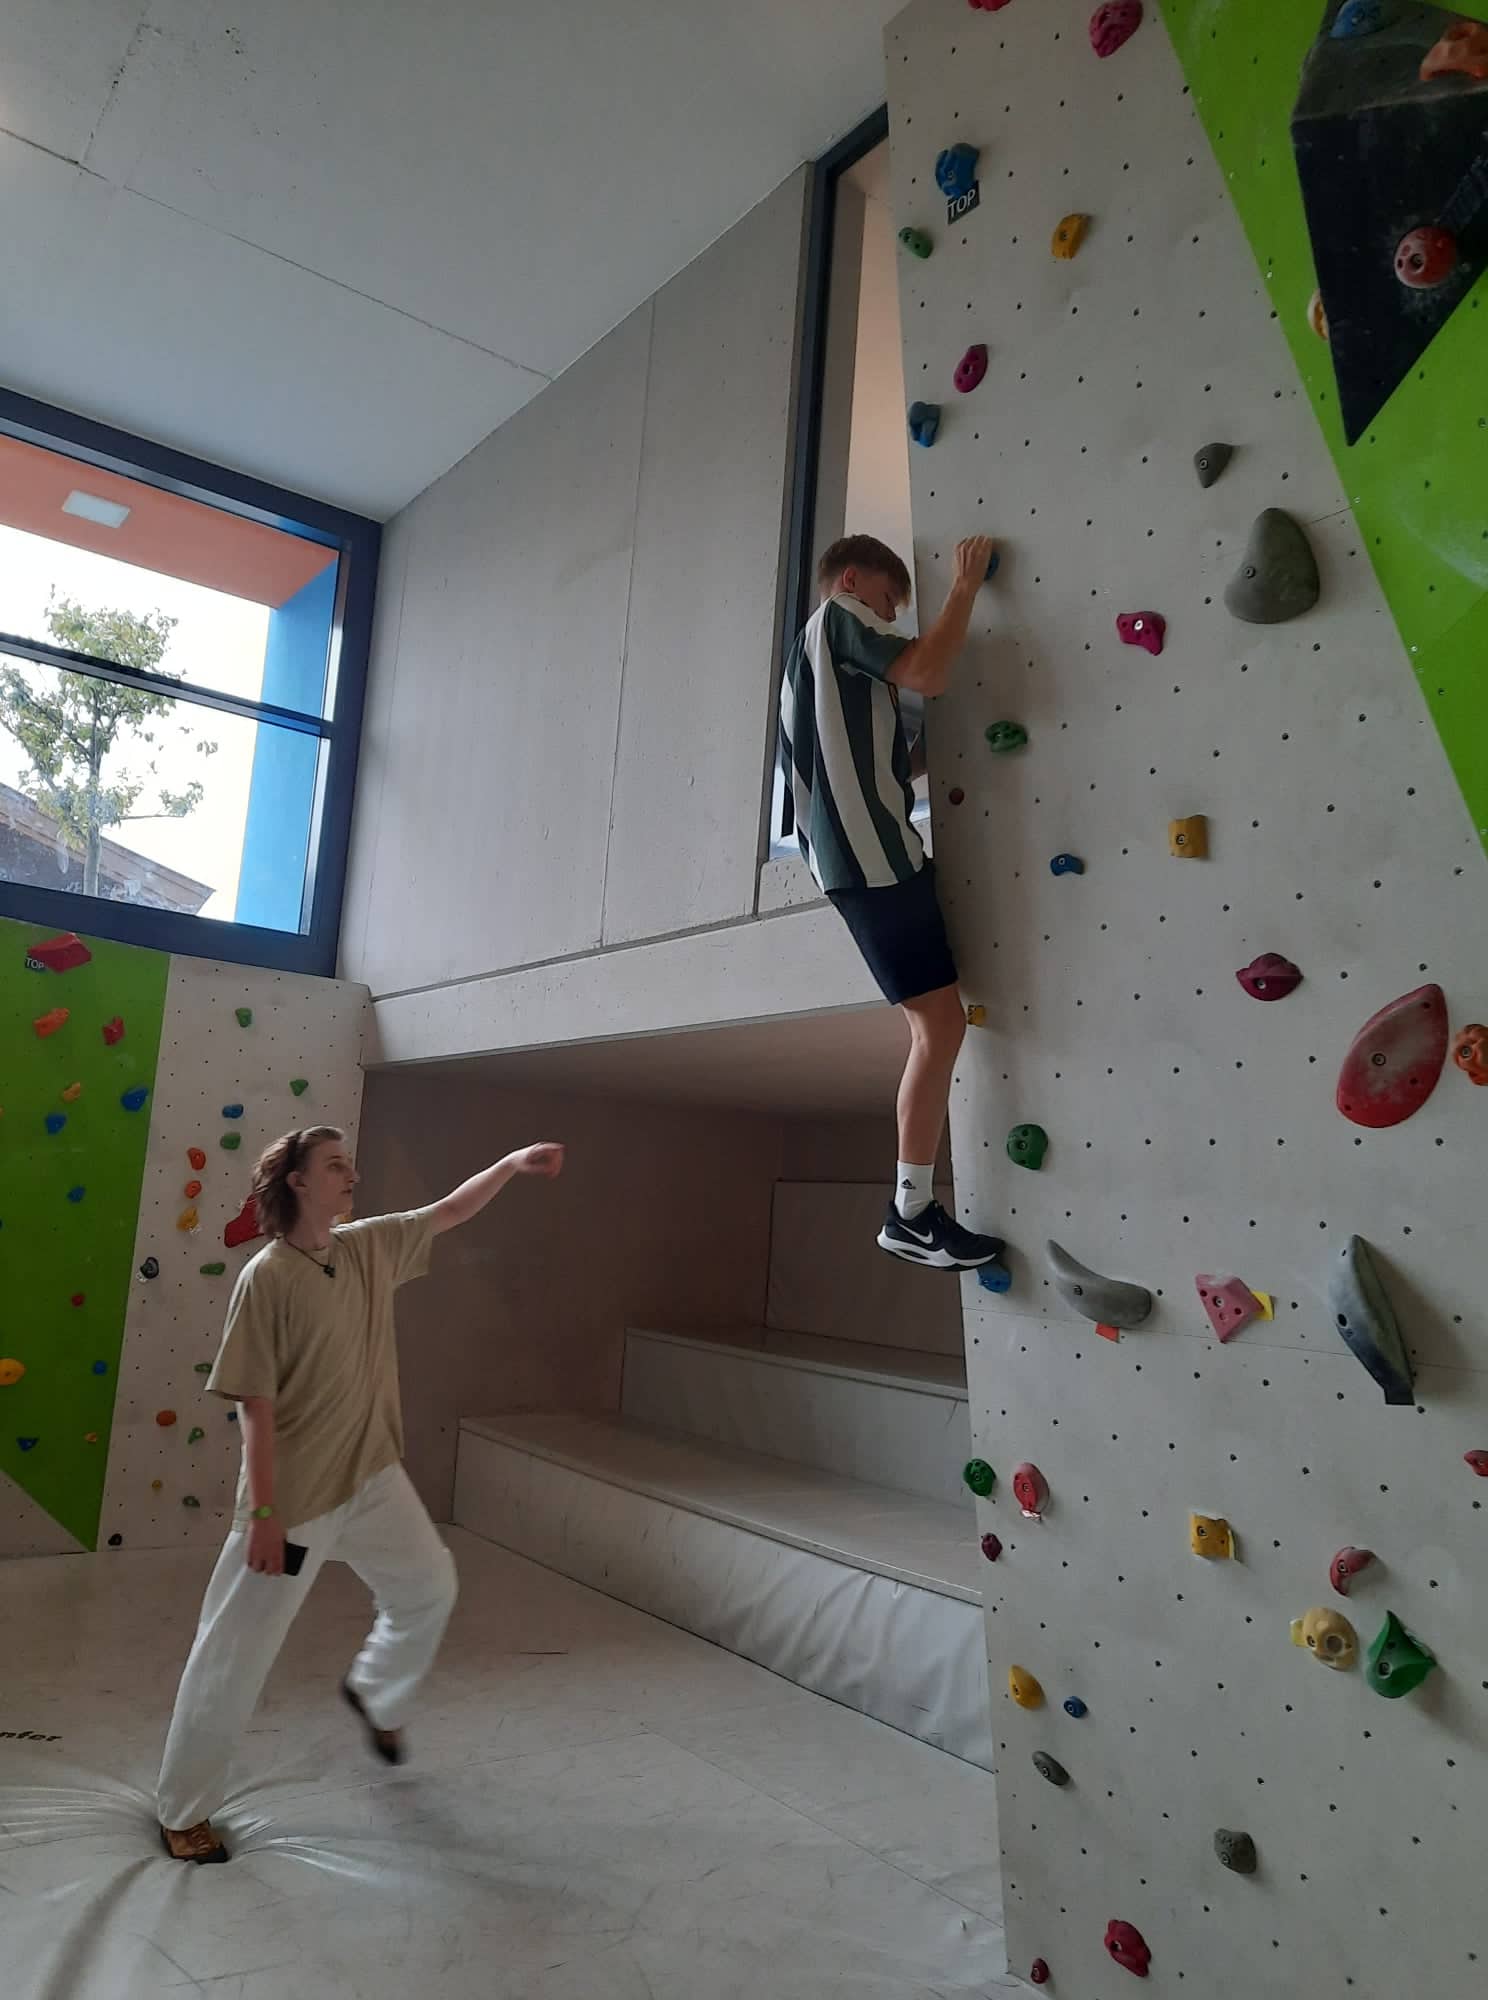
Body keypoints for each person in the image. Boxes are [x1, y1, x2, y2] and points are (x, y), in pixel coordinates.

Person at [156, 1124, 564, 1863]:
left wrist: (508, 1162)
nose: (352, 1176)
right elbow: (254, 1406)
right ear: (298, 1182)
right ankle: (183, 1811)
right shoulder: (267, 1277)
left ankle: (375, 1690)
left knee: (428, 1585)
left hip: (370, 1472)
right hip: (295, 1498)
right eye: (336, 1167)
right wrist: (265, 1514)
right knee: (234, 1652)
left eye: (350, 1165)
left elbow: (449, 1210)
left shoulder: (367, 1246)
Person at [779, 531, 1004, 1272]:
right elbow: (927, 672)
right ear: (851, 581)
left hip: (859, 862)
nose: (886, 619)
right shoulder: (838, 617)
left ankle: (911, 1210)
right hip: (870, 857)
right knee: (938, 1026)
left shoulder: (809, 666)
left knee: (933, 1026)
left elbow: (882, 759)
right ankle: (909, 1213)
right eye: (886, 603)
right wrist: (965, 585)